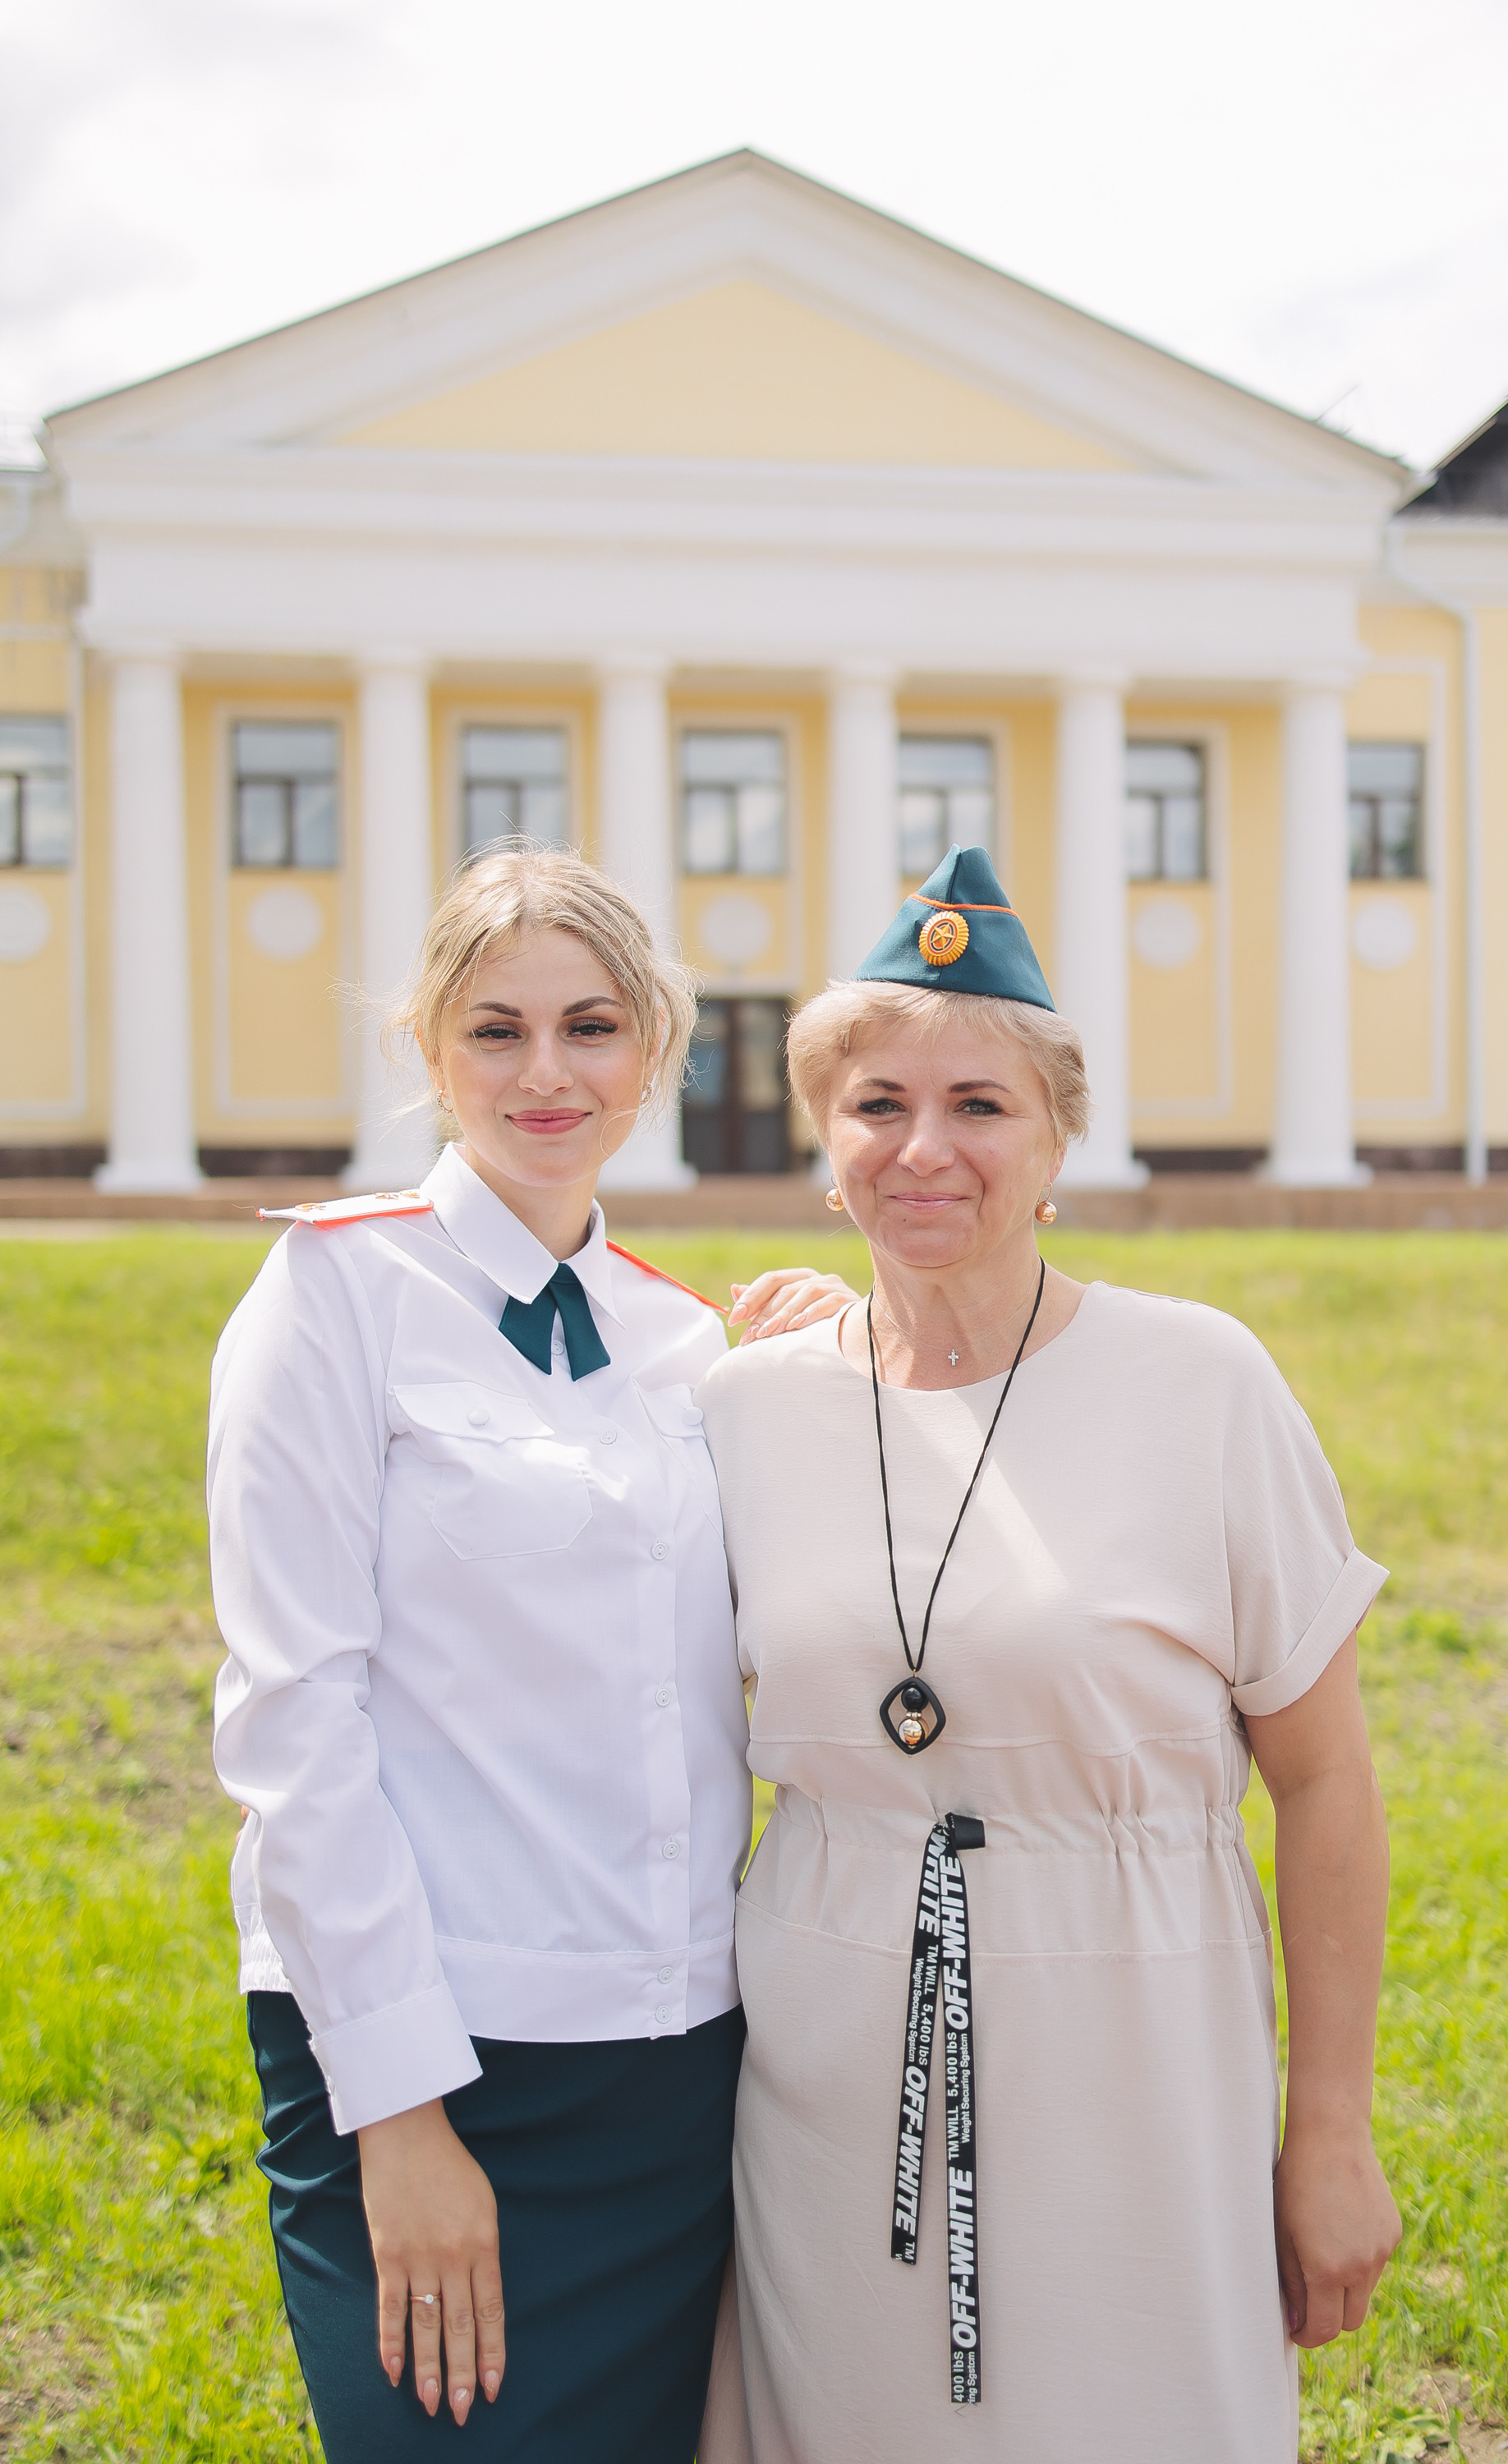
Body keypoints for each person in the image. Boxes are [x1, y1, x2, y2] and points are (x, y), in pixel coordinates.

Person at [695, 846, 1403, 2463]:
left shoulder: (1203, 1384)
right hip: (825, 2049)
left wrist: (1329, 2128)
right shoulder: (740, 1409)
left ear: (1058, 1138)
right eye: (877, 1105)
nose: (923, 1147)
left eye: (980, 1106)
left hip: (1137, 2043)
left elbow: (1326, 1783)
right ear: (824, 1145)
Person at [208, 846, 853, 2462]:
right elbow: (294, 1719)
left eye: (591, 1026)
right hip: (423, 2042)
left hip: (669, 2057)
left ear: (655, 1050)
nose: (546, 1072)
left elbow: (762, 1651)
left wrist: (837, 1377)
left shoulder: (682, 1337)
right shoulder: (331, 1294)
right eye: (496, 1030)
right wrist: (400, 2112)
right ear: (431, 1051)